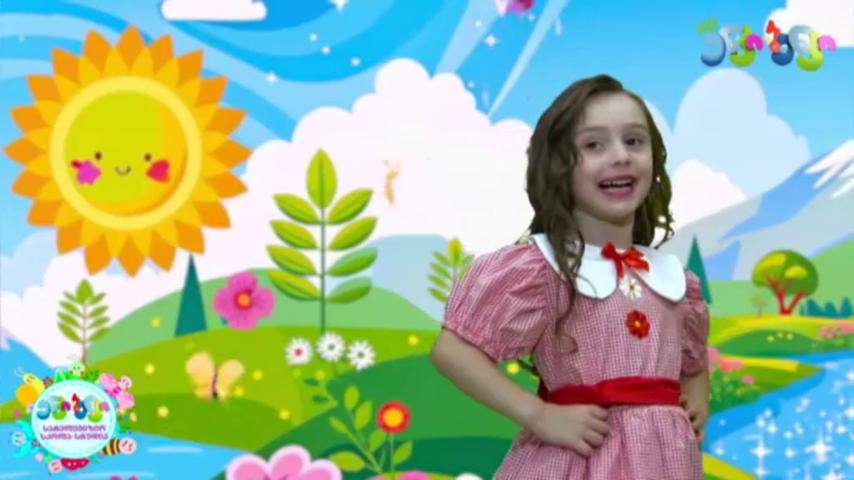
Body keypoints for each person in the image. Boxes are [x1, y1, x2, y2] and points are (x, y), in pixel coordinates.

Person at [430, 74, 710, 479]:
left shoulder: (671, 279)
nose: (620, 156)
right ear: (559, 166)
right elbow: (453, 350)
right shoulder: (546, 269)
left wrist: (697, 397)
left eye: (634, 141)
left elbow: (692, 358)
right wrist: (538, 415)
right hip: (577, 461)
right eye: (594, 145)